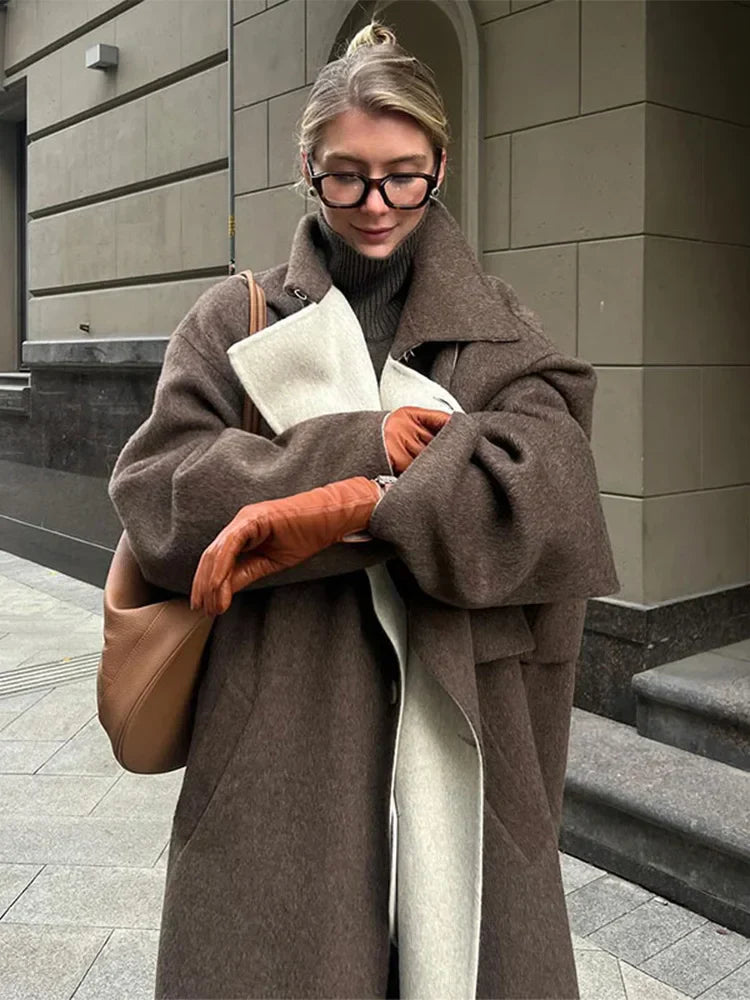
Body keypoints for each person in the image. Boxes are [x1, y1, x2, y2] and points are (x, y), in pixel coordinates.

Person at [109, 22, 618, 1000]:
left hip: (466, 745)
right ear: (309, 168)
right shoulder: (236, 321)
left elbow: (553, 502)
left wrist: (326, 508)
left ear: (440, 166)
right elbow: (159, 493)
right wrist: (367, 446)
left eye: (403, 175)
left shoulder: (505, 334)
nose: (376, 204)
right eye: (347, 175)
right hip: (278, 752)